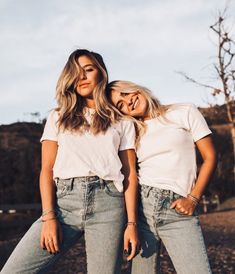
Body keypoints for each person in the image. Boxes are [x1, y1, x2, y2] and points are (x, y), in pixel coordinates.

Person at [1, 51, 139, 274]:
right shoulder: (58, 117)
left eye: (89, 69)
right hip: (65, 205)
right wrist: (48, 217)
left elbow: (130, 173)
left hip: (109, 205)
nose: (82, 77)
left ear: (101, 74)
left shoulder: (121, 120)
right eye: (76, 72)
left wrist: (131, 224)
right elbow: (46, 171)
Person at [107, 80, 217, 274]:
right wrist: (131, 222)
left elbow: (210, 157)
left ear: (136, 88)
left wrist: (193, 198)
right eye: (120, 105)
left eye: (125, 94)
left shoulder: (185, 111)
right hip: (143, 210)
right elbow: (129, 172)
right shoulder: (132, 131)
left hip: (178, 210)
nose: (128, 102)